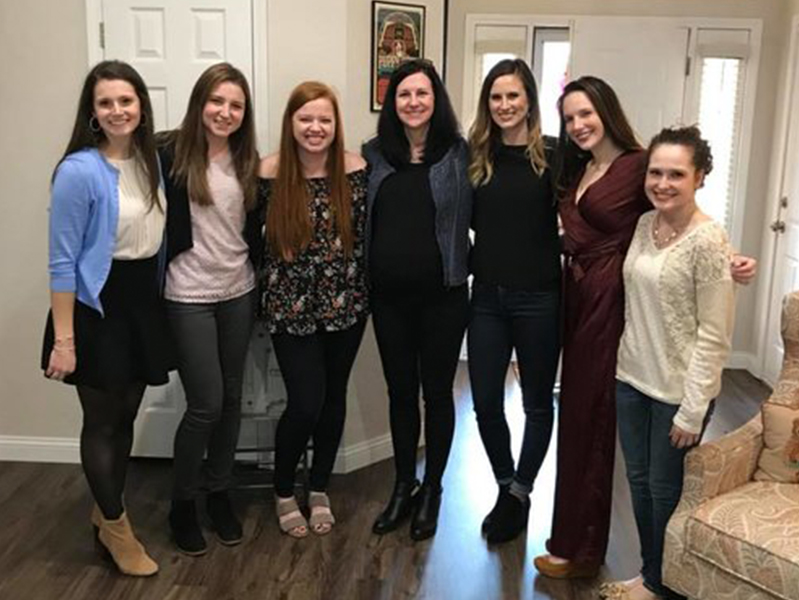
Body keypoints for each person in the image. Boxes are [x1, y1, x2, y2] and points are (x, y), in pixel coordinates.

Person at [534, 76, 756, 579]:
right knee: (580, 422)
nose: (578, 125)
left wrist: (730, 259)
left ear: (607, 111)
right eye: (569, 118)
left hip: (610, 306)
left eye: (586, 113)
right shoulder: (583, 167)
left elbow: (686, 217)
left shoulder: (638, 165)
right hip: (581, 301)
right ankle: (587, 545)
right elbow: (659, 225)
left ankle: (592, 553)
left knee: (591, 426)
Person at [42, 60, 171, 576]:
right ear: (92, 113)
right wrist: (65, 340)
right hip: (96, 305)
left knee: (125, 417)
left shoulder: (152, 161)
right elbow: (61, 261)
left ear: (141, 105)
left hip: (142, 302)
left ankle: (105, 510)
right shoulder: (78, 170)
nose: (117, 110)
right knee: (100, 422)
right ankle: (117, 528)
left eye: (126, 100)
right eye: (105, 103)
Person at [600, 126, 734, 600]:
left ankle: (663, 584)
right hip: (632, 379)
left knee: (664, 491)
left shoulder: (709, 241)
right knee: (639, 485)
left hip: (677, 393)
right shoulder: (644, 225)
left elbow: (715, 335)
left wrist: (694, 410)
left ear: (699, 177)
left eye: (676, 173)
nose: (662, 182)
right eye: (655, 172)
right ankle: (651, 574)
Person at [364, 59, 472, 541]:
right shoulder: (373, 156)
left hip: (443, 298)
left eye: (422, 94)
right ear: (393, 102)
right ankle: (403, 486)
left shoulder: (459, 155)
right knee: (400, 393)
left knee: (436, 394)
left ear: (436, 100)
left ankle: (433, 489)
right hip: (388, 300)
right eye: (404, 94)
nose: (413, 102)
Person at [258, 81, 369, 538]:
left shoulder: (358, 169)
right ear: (291, 123)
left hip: (346, 303)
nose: (315, 127)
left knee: (333, 399)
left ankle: (318, 485)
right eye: (306, 119)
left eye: (325, 119)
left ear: (336, 124)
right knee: (305, 402)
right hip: (289, 305)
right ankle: (284, 490)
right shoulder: (267, 172)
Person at [158, 63, 260, 556]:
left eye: (236, 105)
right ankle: (182, 502)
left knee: (234, 397)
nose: (225, 112)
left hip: (238, 291)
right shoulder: (168, 155)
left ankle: (219, 492)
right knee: (206, 403)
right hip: (188, 295)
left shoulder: (248, 161)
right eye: (217, 101)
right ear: (201, 103)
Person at [467, 59, 560, 544]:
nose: (504, 105)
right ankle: (506, 485)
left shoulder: (557, 156)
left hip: (540, 299)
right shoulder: (476, 156)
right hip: (485, 299)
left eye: (513, 96)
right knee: (484, 402)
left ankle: (522, 492)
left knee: (537, 404)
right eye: (496, 97)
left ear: (529, 100)